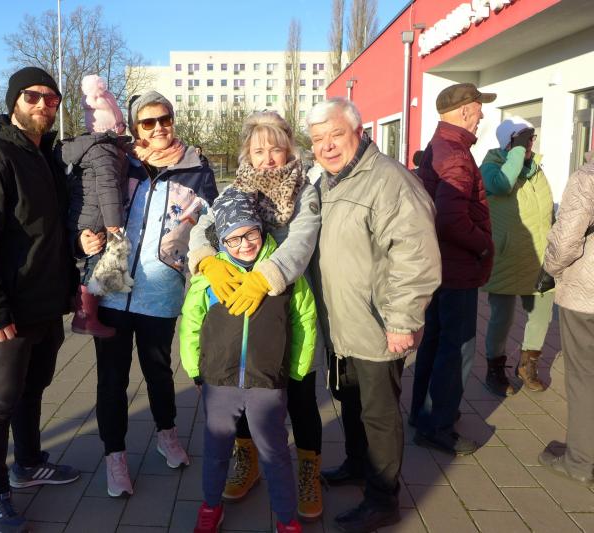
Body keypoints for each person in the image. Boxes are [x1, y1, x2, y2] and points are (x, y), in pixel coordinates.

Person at [0, 66, 81, 533]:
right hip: (8, 310)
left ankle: (27, 463)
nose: (44, 105)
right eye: (33, 96)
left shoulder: (43, 155)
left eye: (52, 98)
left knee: (34, 388)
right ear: (14, 101)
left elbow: (49, 232)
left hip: (45, 304)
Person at [310, 97, 441, 533]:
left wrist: (402, 320)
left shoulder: (389, 181)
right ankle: (356, 463)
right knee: (350, 400)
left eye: (336, 135)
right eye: (318, 139)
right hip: (342, 323)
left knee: (379, 414)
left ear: (359, 133)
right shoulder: (328, 182)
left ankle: (383, 498)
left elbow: (415, 255)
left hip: (377, 323)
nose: (327, 146)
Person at [187, 111, 324, 521]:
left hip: (285, 303)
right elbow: (204, 227)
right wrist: (206, 260)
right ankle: (247, 459)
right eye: (258, 150)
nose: (267, 159)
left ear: (289, 150)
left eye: (275, 149)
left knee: (300, 393)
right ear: (247, 153)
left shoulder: (304, 191)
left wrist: (267, 277)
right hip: (238, 313)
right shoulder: (237, 188)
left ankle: (308, 470)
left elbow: (301, 241)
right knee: (242, 387)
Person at [91, 90, 217, 498]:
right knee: (112, 379)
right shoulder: (118, 162)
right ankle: (115, 456)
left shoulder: (195, 166)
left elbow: (212, 221)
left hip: (161, 289)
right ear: (135, 127)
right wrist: (84, 236)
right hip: (113, 285)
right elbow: (89, 205)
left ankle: (167, 434)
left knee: (159, 371)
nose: (159, 127)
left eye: (165, 119)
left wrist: (194, 250)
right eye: (148, 122)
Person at [409, 83, 496, 456]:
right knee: (456, 349)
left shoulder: (439, 145)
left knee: (434, 341)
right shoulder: (456, 154)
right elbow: (450, 218)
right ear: (464, 111)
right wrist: (484, 244)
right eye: (478, 108)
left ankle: (424, 415)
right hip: (456, 268)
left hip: (439, 265)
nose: (482, 115)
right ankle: (438, 426)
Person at [480, 117, 554, 396]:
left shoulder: (535, 169)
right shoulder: (491, 166)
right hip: (506, 256)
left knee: (542, 314)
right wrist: (517, 152)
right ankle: (494, 368)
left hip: (538, 254)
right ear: (508, 142)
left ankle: (527, 364)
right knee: (502, 318)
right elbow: (502, 186)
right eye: (523, 138)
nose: (530, 143)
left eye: (531, 138)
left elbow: (547, 207)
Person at [538, 157, 594, 486]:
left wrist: (549, 269)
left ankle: (580, 461)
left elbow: (566, 240)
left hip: (587, 295)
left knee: (584, 378)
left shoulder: (588, 177)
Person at [63, 74, 130, 337]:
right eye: (120, 124)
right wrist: (114, 224)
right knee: (95, 264)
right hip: (96, 217)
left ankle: (85, 310)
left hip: (87, 213)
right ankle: (85, 316)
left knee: (94, 263)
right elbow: (108, 186)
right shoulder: (104, 150)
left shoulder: (93, 147)